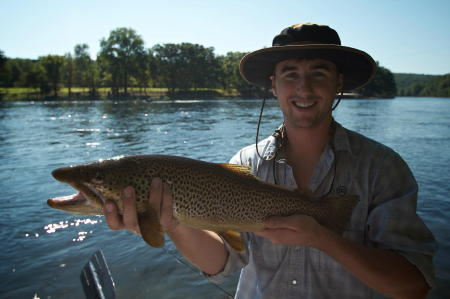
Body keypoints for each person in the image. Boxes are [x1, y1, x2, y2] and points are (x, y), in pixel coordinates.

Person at [104, 23, 436, 298]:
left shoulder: (382, 168)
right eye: (290, 74)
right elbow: (225, 261)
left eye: (319, 73)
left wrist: (322, 238)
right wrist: (174, 225)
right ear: (273, 86)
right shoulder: (244, 164)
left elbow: (413, 286)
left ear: (339, 84)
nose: (304, 88)